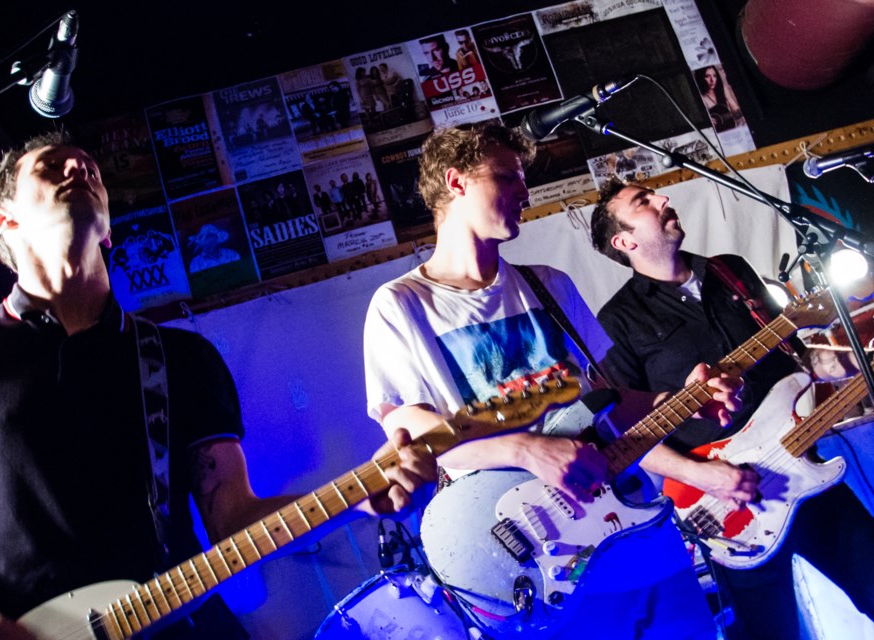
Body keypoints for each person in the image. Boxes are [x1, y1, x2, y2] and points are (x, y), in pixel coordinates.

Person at [0, 131, 436, 639]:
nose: (80, 170)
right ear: (3, 221)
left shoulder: (181, 357)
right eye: (52, 167)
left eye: (91, 170)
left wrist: (361, 497)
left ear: (108, 230)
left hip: (182, 622)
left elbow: (233, 518)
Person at [363, 122, 743, 638]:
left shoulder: (548, 283)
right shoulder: (402, 304)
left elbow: (605, 399)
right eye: (506, 178)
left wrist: (679, 399)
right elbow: (414, 437)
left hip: (630, 527)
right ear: (455, 183)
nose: (524, 193)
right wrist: (526, 449)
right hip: (536, 554)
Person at [590, 178, 874, 640]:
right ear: (625, 241)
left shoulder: (730, 272)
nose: (664, 200)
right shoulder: (617, 320)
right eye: (644, 202)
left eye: (657, 194)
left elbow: (800, 361)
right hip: (725, 501)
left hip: (805, 465)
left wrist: (856, 363)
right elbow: (622, 433)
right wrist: (704, 476)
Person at [694, 66, 742, 132]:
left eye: (714, 76)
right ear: (700, 78)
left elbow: (734, 106)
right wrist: (707, 122)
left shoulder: (722, 88)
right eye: (707, 76)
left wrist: (739, 113)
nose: (712, 80)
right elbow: (699, 119)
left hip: (730, 125)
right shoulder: (701, 97)